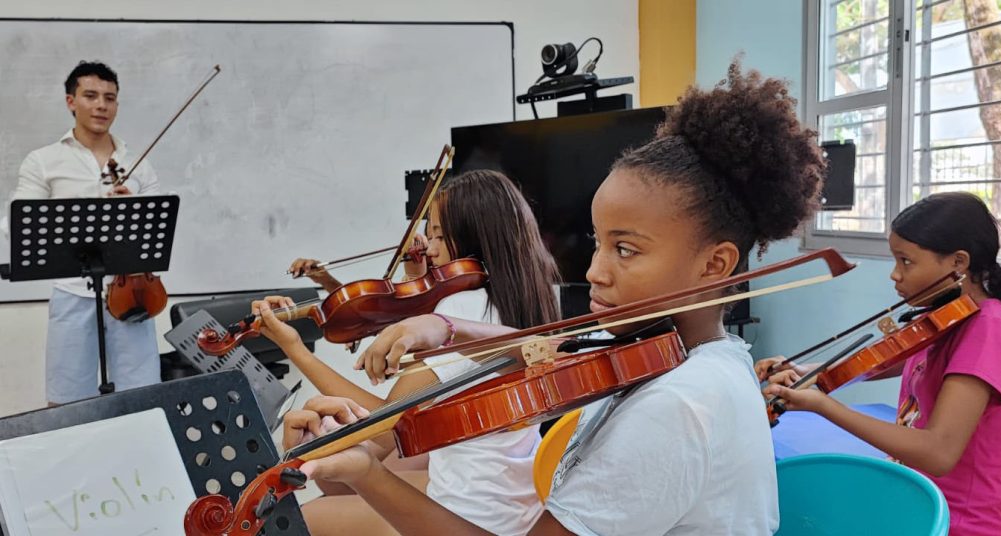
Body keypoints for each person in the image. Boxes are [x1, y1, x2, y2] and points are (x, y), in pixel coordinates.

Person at [282, 60, 826, 535]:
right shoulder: (697, 354)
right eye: (598, 243)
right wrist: (447, 330)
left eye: (627, 250)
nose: (595, 272)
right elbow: (556, 350)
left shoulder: (674, 407)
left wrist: (366, 473)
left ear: (715, 265)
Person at [257, 169, 560, 535]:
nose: (430, 247)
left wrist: (295, 349)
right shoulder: (530, 301)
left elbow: (385, 429)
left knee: (284, 521)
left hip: (472, 509)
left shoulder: (459, 313)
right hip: (515, 495)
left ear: (474, 239)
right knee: (357, 484)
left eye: (439, 235)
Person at [762, 192, 1001, 536]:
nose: (895, 275)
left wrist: (825, 407)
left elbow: (938, 452)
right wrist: (799, 370)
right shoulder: (943, 319)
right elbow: (870, 364)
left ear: (958, 262)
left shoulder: (990, 330)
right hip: (910, 498)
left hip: (955, 524)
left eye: (906, 261)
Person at [3, 61, 160, 405]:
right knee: (66, 398)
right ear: (70, 101)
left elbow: (155, 232)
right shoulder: (44, 160)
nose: (101, 105)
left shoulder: (138, 164)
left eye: (110, 97)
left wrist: (131, 211)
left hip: (133, 291)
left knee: (143, 397)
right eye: (90, 95)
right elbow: (16, 223)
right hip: (73, 292)